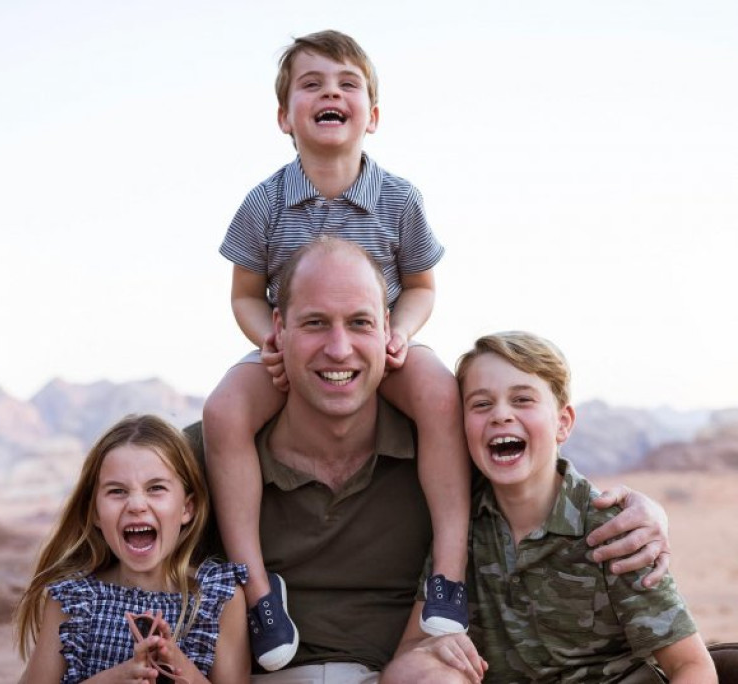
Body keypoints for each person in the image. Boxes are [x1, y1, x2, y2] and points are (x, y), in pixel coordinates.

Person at [188, 237, 673, 683]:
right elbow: (126, 505)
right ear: (279, 329)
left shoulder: (444, 453)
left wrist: (647, 512)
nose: (339, 348)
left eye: (360, 323)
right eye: (315, 323)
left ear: (389, 332)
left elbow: (535, 485)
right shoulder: (211, 454)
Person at [202, 29, 471, 671]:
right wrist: (265, 336)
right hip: (292, 348)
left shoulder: (399, 199)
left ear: (372, 116)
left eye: (348, 84)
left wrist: (400, 331)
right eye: (312, 84)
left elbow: (422, 285)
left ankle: (450, 573)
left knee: (439, 391)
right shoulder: (265, 202)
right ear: (283, 116)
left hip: (379, 344)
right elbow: (243, 293)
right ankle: (261, 592)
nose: (331, 93)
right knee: (223, 412)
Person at [387, 332, 717, 683]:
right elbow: (409, 659)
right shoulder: (460, 527)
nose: (501, 415)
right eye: (481, 404)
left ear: (563, 423)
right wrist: (433, 649)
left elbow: (691, 666)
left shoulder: (611, 529)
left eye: (522, 400)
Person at [15, 414, 250, 684]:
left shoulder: (218, 598)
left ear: (187, 508)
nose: (137, 504)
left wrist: (175, 662)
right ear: (95, 513)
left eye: (156, 488)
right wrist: (112, 680)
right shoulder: (73, 599)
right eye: (117, 491)